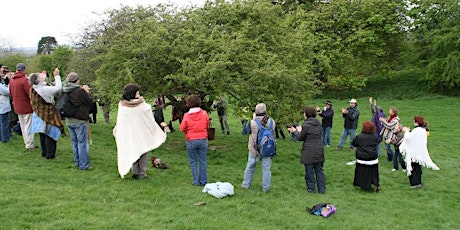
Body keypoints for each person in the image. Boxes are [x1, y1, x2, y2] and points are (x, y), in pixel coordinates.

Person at [113, 84, 166, 179]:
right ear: (133, 93)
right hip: (137, 132)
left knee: (135, 149)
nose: (139, 93)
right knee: (140, 151)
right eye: (137, 92)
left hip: (134, 132)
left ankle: (136, 171)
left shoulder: (123, 104)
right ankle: (141, 173)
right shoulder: (139, 104)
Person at [288, 106, 326, 194]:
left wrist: (295, 131)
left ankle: (311, 189)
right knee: (319, 170)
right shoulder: (319, 123)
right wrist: (301, 130)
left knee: (309, 172)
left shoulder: (306, 125)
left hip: (309, 150)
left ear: (307, 114)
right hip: (319, 149)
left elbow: (300, 137)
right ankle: (322, 189)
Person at [28, 69, 65, 159]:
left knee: (42, 133)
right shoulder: (43, 89)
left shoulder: (33, 89)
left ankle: (44, 152)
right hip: (47, 113)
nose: (42, 76)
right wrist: (57, 76)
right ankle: (50, 155)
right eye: (40, 77)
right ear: (37, 80)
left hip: (38, 113)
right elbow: (58, 88)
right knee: (50, 133)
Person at [241, 103, 276, 193]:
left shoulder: (253, 122)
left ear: (256, 111)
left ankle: (246, 185)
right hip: (267, 148)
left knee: (250, 166)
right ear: (265, 111)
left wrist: (253, 119)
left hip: (254, 148)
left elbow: (245, 131)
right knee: (266, 169)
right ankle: (266, 188)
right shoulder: (272, 122)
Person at [62, 72, 93, 170]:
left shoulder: (65, 89)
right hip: (79, 120)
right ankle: (83, 165)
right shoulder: (79, 91)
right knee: (82, 143)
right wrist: (87, 92)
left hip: (69, 119)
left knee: (75, 143)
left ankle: (77, 162)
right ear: (77, 80)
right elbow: (89, 102)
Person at [400, 116, 440, 189]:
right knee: (418, 168)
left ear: (417, 122)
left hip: (413, 153)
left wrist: (406, 131)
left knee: (412, 167)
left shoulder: (417, 130)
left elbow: (409, 138)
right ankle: (418, 182)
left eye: (414, 121)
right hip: (418, 153)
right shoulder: (423, 130)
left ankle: (414, 183)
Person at [180, 95, 210, 186]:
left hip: (191, 139)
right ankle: (203, 181)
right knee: (203, 161)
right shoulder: (204, 113)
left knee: (193, 161)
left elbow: (182, 128)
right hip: (202, 139)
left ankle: (196, 181)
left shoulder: (186, 115)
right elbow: (207, 124)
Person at [9, 63, 37, 150]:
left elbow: (10, 93)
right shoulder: (24, 80)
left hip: (17, 106)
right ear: (24, 69)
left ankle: (27, 142)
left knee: (23, 125)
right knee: (29, 125)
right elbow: (30, 94)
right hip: (26, 106)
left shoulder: (12, 80)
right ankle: (29, 144)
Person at [352, 121, 381, 192]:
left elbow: (354, 143)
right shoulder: (375, 136)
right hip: (372, 158)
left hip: (362, 158)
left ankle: (362, 184)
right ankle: (375, 183)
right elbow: (377, 142)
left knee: (361, 172)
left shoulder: (360, 136)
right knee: (373, 172)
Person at [0, 70, 11, 143]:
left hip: (2, 104)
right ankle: (5, 138)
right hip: (3, 105)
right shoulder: (0, 85)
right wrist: (9, 86)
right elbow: (7, 92)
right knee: (4, 123)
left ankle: (2, 137)